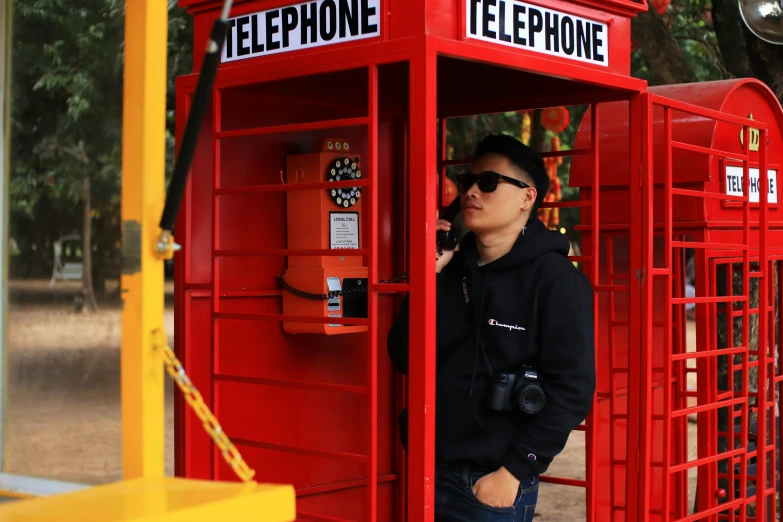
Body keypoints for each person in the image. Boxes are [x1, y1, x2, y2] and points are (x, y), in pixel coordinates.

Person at [387, 133, 596, 521]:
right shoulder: (450, 271)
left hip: (491, 486)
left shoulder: (555, 280)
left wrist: (515, 471)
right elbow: (404, 356)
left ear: (526, 198)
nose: (471, 192)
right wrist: (427, 275)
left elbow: (573, 387)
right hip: (427, 473)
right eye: (467, 183)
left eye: (488, 183)